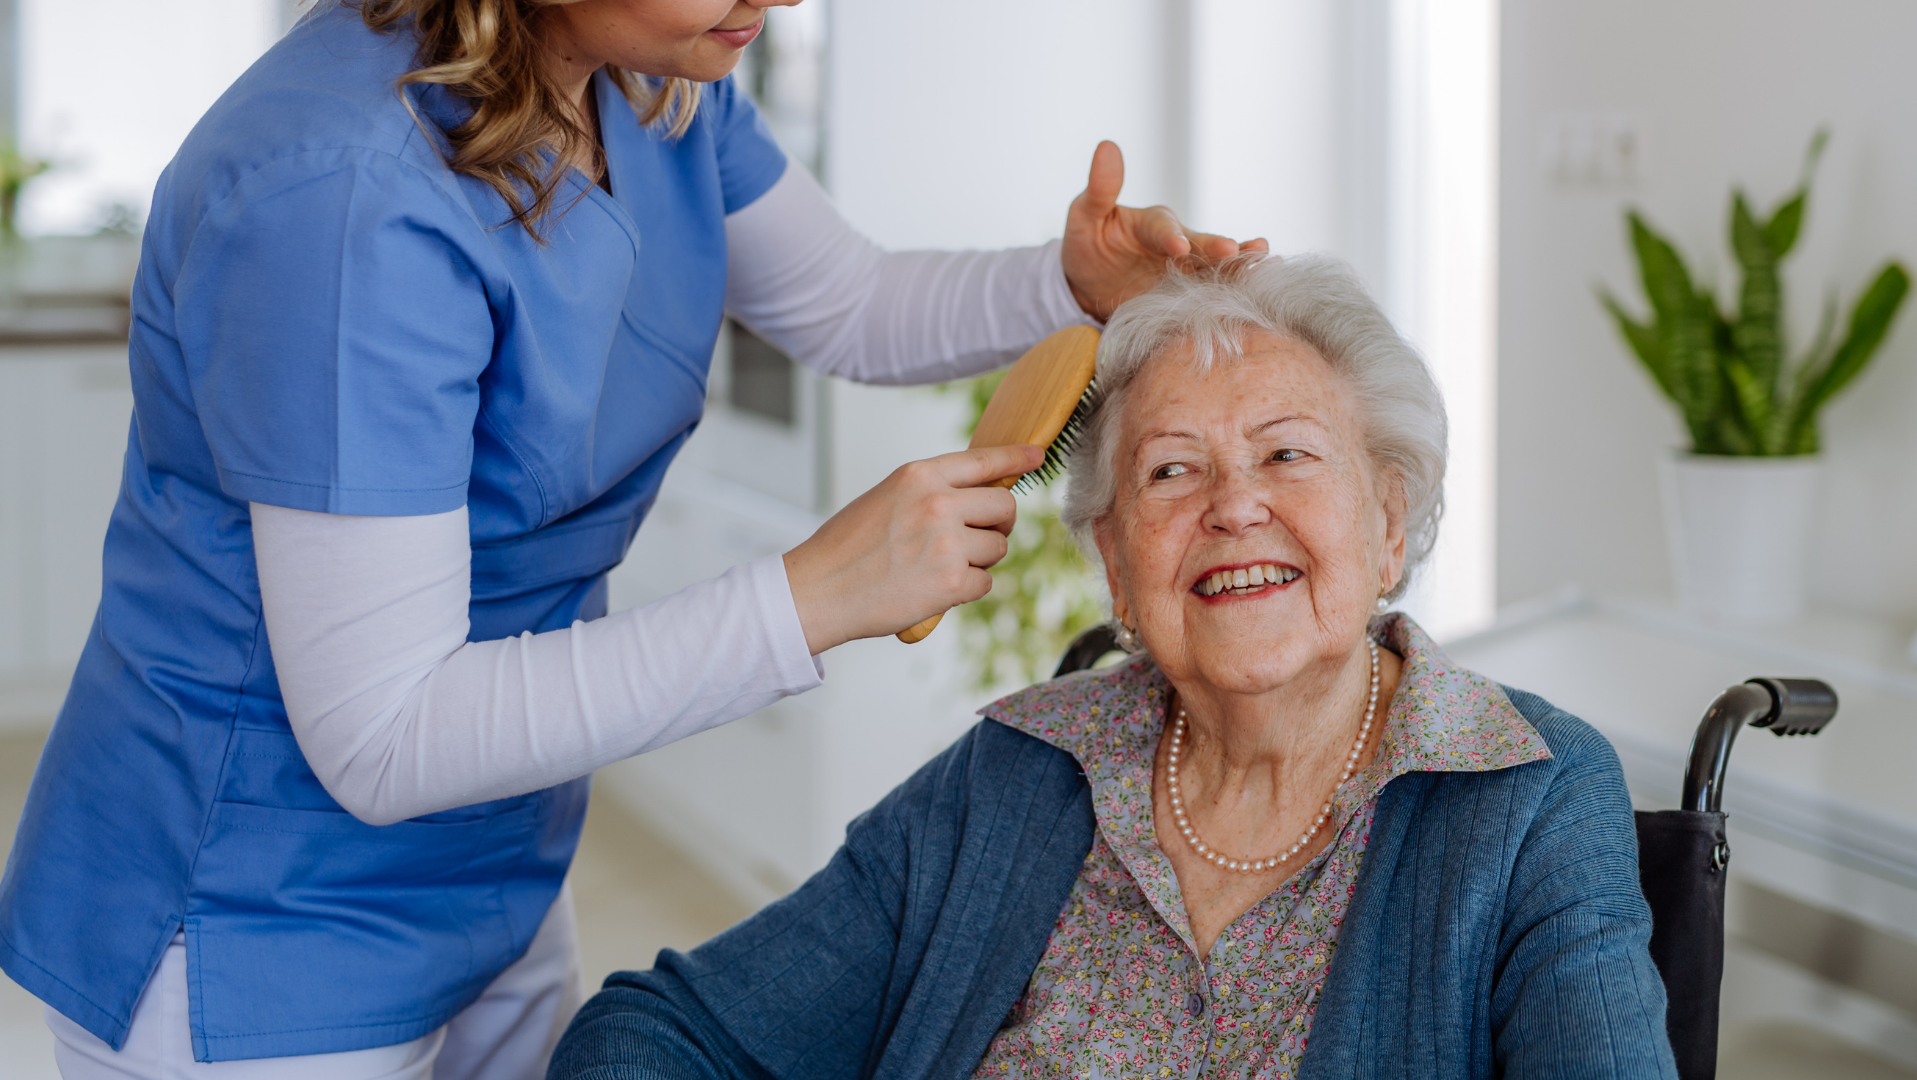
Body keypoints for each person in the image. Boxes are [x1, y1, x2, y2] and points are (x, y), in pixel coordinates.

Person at [0, 0, 1266, 1077]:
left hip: (490, 854)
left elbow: (852, 304)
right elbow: (382, 737)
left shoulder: (647, 76)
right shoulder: (339, 197)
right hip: (248, 924)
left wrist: (1066, 286)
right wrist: (813, 595)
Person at [549, 254, 1680, 1079]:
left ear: (1390, 521)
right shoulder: (1017, 774)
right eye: (1172, 473)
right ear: (1117, 568)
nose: (1236, 505)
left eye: (1288, 453)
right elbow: (663, 1034)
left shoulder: (1528, 794)